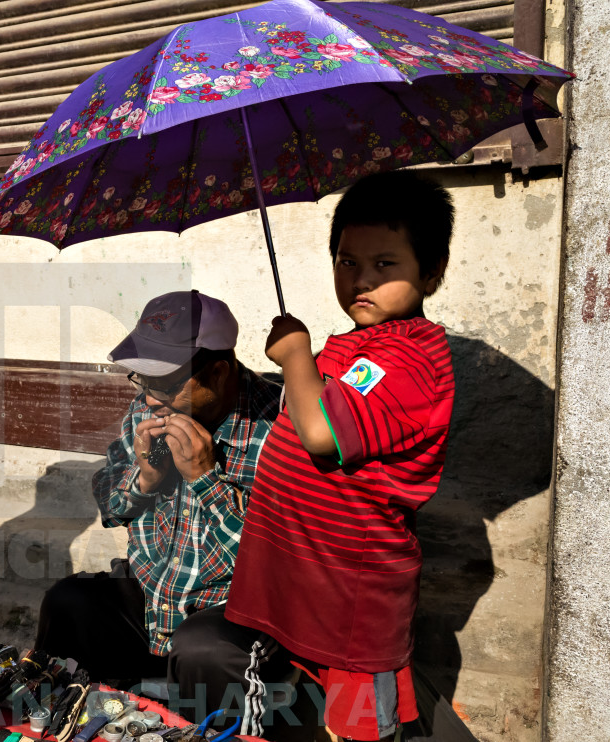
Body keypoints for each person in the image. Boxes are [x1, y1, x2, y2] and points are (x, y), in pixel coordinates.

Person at [172, 171, 456, 742]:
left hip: (351, 593)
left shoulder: (411, 360)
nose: (360, 281)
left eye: (384, 265)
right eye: (347, 263)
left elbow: (322, 433)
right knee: (297, 706)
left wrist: (297, 357)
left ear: (430, 273)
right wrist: (309, 358)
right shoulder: (358, 344)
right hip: (305, 575)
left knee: (358, 728)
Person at [34, 290, 281, 692]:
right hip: (152, 592)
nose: (149, 397)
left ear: (218, 373)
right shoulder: (148, 410)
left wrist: (206, 479)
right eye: (143, 379)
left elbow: (276, 557)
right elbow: (112, 507)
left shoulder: (280, 427)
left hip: (232, 606)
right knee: (69, 602)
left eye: (164, 384)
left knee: (205, 651)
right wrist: (145, 479)